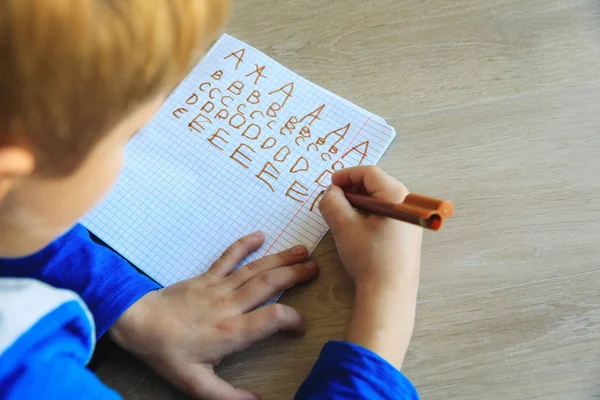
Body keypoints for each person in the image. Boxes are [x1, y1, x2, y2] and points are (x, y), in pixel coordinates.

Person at [0, 1, 422, 399]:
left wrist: (125, 304)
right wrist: (386, 296)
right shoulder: (29, 373)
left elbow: (17, 214)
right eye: (126, 138)